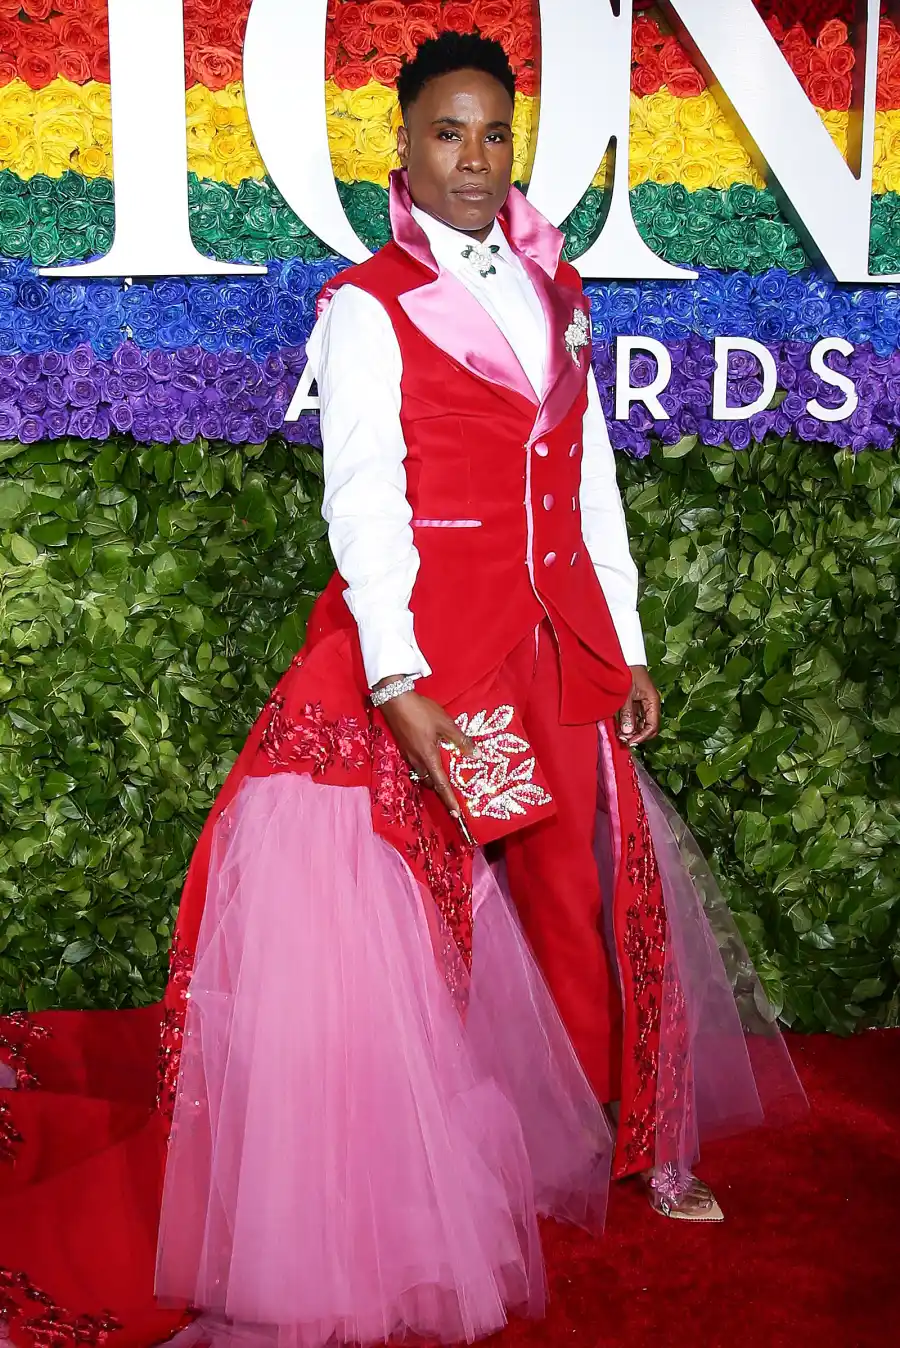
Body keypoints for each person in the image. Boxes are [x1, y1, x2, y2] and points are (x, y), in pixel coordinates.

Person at [0, 30, 804, 1348]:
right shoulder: (369, 305)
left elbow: (587, 474)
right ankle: (430, 1168)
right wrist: (399, 679)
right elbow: (364, 499)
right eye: (449, 133)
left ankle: (601, 1151)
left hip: (557, 654)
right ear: (404, 147)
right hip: (451, 660)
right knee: (430, 922)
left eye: (495, 134)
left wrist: (630, 638)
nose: (476, 159)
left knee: (578, 894)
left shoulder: (557, 289)